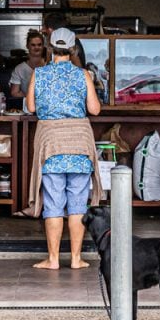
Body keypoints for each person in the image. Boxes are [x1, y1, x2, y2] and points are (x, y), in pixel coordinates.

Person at [25, 27, 103, 270]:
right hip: (79, 144)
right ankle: (77, 259)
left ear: (49, 48)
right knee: (78, 203)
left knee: (53, 203)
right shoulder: (83, 75)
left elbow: (30, 107)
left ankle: (54, 259)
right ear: (73, 48)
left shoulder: (39, 74)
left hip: (51, 145)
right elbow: (94, 110)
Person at [9, 29, 45, 99]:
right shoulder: (19, 69)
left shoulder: (49, 65)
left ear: (43, 46)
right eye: (33, 45)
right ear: (27, 46)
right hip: (27, 107)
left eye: (39, 45)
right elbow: (14, 93)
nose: (36, 47)